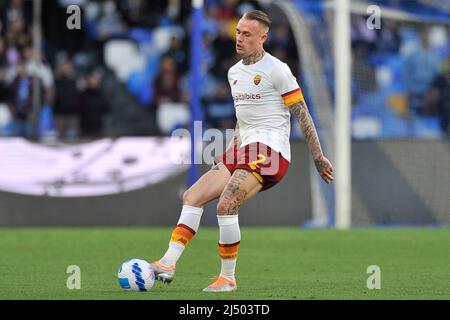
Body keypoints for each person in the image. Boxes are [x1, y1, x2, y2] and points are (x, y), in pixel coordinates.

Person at [150, 10, 334, 292]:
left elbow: (303, 114)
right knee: (193, 196)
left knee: (226, 203)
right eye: (238, 32)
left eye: (247, 34)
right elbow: (242, 119)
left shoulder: (278, 70)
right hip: (244, 148)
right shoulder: (234, 72)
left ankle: (227, 278)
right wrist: (229, 155)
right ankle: (168, 262)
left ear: (263, 38)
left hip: (271, 151)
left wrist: (318, 156)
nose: (239, 38)